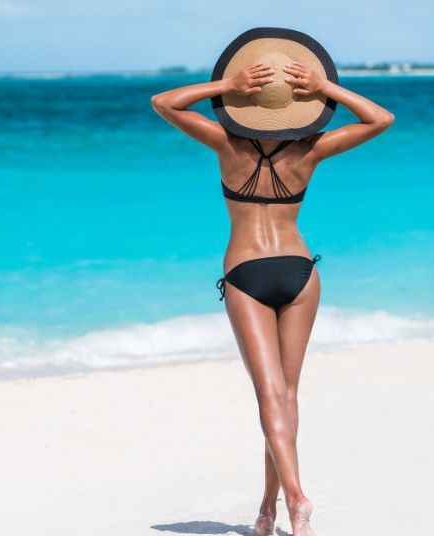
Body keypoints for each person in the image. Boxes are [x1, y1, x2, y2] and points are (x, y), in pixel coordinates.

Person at [150, 28, 394, 536]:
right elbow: (381, 118)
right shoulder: (311, 150)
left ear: (247, 104)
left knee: (268, 398)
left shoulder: (224, 142)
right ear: (296, 109)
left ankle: (298, 497)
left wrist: (226, 87)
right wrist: (325, 88)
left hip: (246, 274)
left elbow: (164, 103)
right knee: (288, 397)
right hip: (301, 273)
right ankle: (268, 509)